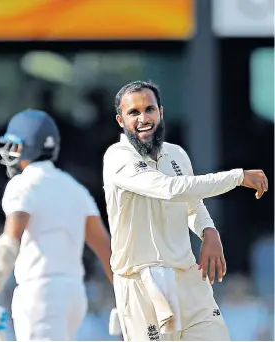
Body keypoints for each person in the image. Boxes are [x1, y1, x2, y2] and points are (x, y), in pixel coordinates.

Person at [103, 80, 268, 341]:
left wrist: (208, 231)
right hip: (142, 283)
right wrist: (237, 177)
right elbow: (171, 188)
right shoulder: (118, 157)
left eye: (149, 109)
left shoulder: (176, 154)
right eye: (133, 112)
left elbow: (192, 203)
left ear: (161, 112)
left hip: (187, 277)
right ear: (121, 120)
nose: (143, 118)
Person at [0, 109, 114, 341]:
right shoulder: (76, 189)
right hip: (74, 296)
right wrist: (127, 299)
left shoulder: (23, 184)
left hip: (41, 295)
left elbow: (9, 243)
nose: (9, 152)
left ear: (24, 147)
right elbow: (106, 251)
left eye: (12, 145)